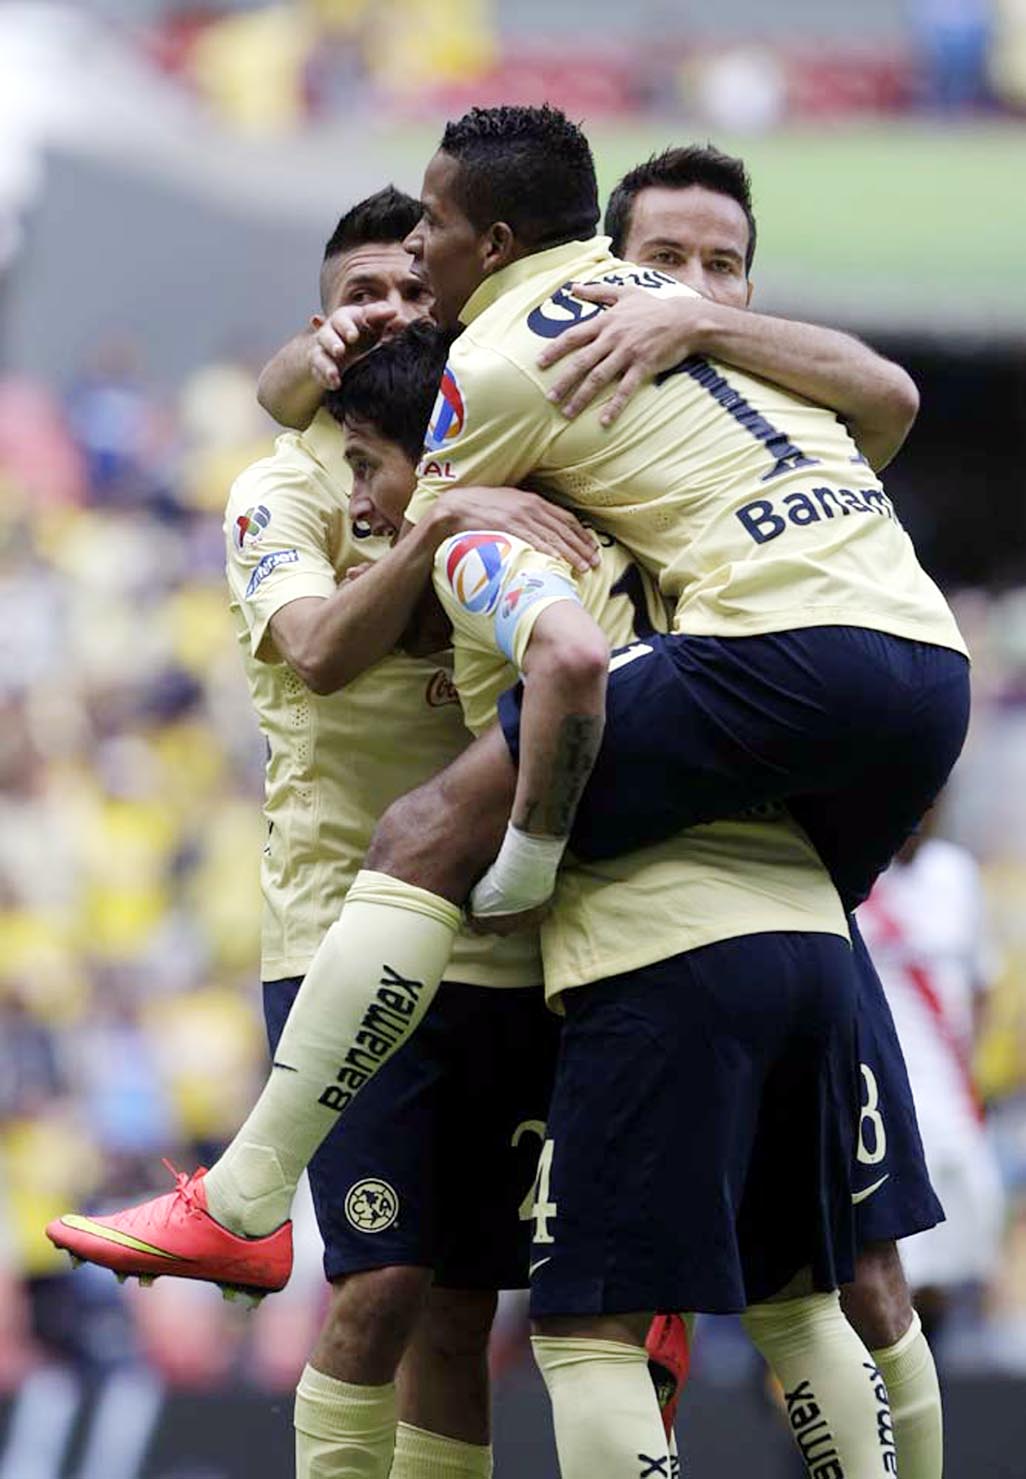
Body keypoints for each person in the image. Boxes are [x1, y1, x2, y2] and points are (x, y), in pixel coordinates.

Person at [531, 142, 948, 1479]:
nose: (688, 284)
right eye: (661, 260)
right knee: (796, 1287)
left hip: (744, 895)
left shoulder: (786, 404)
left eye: (721, 265)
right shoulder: (569, 389)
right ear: (603, 267)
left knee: (855, 1276)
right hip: (730, 875)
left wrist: (698, 318)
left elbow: (890, 393)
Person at [858, 820, 1005, 1341]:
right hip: (880, 1115)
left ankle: (923, 1414)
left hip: (951, 1113)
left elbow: (982, 985)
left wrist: (971, 1077)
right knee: (879, 1282)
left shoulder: (957, 875)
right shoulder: (853, 872)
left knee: (942, 1283)